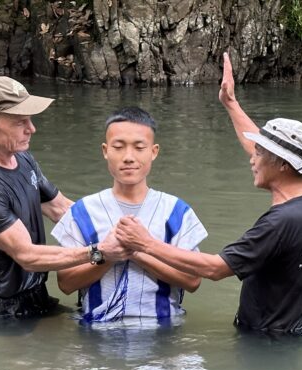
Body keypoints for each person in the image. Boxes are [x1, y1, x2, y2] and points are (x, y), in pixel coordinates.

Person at [116, 52, 302, 334]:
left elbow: (215, 269)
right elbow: (259, 147)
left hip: (266, 342)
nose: (253, 158)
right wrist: (230, 103)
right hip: (297, 327)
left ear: (283, 165)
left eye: (261, 153)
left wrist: (144, 244)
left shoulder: (281, 223)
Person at [0, 76, 127, 323]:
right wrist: (100, 252)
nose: (31, 128)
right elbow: (28, 256)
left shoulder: (22, 159)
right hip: (3, 309)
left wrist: (122, 227)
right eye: (19, 122)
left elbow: (61, 209)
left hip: (35, 294)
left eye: (30, 119)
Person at [51, 106, 207, 323]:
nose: (128, 157)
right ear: (105, 150)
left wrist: (138, 252)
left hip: (163, 331)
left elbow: (192, 280)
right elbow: (66, 283)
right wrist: (107, 256)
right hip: (97, 330)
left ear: (154, 151)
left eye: (139, 147)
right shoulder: (82, 212)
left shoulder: (176, 212)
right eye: (118, 147)